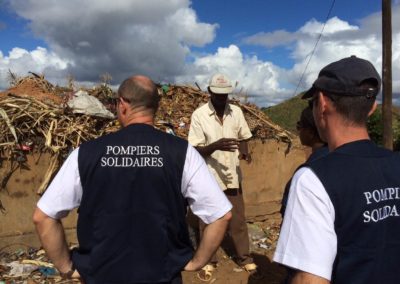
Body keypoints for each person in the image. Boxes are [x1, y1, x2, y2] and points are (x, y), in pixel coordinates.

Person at [32, 75, 233, 284]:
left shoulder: (86, 154)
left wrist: (66, 267)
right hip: (162, 276)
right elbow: (221, 215)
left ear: (122, 104)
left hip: (102, 276)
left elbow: (43, 217)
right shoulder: (182, 153)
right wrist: (197, 262)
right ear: (155, 107)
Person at [273, 55, 400, 284]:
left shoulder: (313, 179)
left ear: (322, 104)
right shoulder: (395, 162)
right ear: (372, 107)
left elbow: (309, 280)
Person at [188, 73, 257, 280]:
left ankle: (244, 258)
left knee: (237, 220)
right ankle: (210, 260)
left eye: (225, 94)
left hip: (232, 175)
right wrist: (215, 146)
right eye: (217, 94)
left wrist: (245, 151)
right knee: (208, 221)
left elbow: (244, 135)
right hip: (209, 177)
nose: (221, 98)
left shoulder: (236, 112)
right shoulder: (199, 115)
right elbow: (194, 148)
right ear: (209, 92)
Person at [280, 105, 328, 217]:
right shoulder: (343, 163)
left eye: (299, 126)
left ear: (310, 133)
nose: (298, 131)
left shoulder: (305, 175)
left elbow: (289, 216)